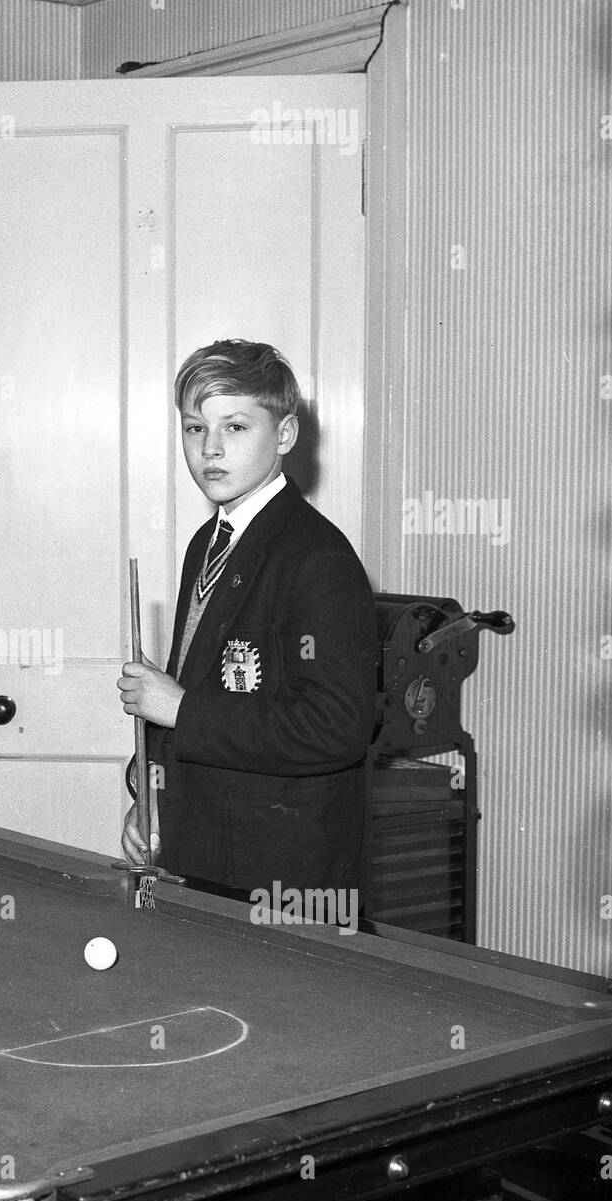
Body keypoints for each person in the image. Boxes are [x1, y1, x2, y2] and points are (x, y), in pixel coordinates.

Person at [118, 339, 376, 894]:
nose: (210, 449)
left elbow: (335, 728)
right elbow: (190, 691)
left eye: (235, 427)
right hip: (202, 844)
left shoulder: (317, 558)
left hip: (280, 871)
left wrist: (181, 708)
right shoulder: (205, 543)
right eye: (194, 428)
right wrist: (152, 797)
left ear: (283, 434)